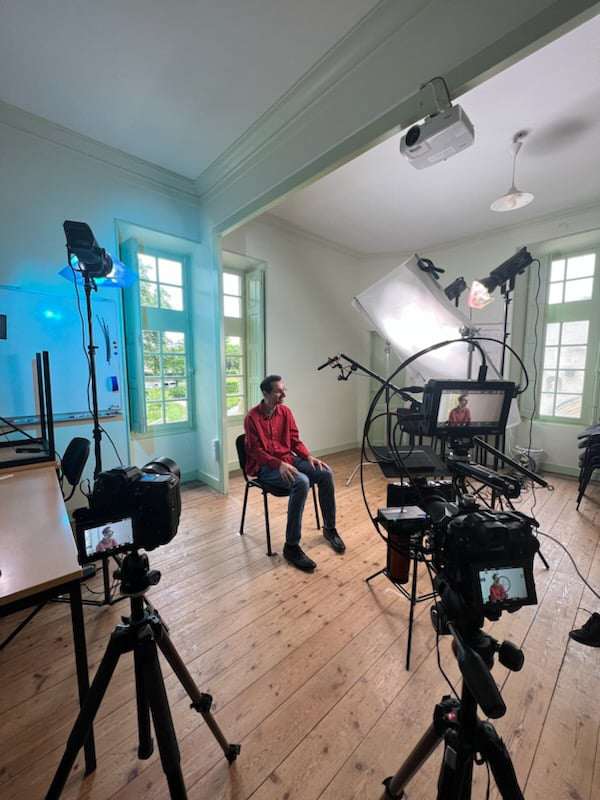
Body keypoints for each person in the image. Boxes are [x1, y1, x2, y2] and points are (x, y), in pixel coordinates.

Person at [243, 375, 345, 572]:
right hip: (265, 467)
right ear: (265, 393)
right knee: (302, 482)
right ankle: (291, 546)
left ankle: (329, 529)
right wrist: (277, 464)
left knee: (325, 473)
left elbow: (295, 440)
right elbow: (255, 451)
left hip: (288, 459)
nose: (283, 394)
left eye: (284, 390)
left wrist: (308, 457)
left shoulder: (286, 412)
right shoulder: (252, 418)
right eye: (278, 391)